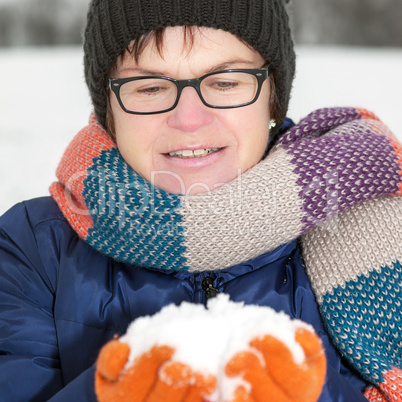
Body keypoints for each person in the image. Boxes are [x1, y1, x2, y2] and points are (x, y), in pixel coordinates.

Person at [0, 0, 401, 401]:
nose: (189, 119)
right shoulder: (33, 249)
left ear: (272, 98)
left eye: (226, 82)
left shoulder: (377, 222)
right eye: (150, 88)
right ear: (109, 111)